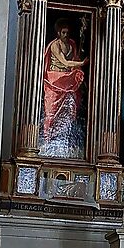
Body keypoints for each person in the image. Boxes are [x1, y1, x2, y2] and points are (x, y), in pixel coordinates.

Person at [40, 22, 87, 159]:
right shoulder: (55, 45)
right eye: (63, 33)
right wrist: (82, 63)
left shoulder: (72, 43)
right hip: (54, 79)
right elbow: (66, 62)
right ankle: (47, 139)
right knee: (51, 111)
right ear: (58, 33)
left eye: (67, 32)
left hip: (67, 79)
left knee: (70, 106)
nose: (65, 35)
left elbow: (73, 59)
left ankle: (66, 135)